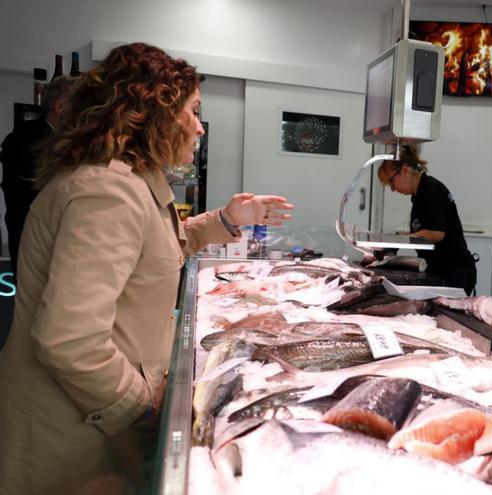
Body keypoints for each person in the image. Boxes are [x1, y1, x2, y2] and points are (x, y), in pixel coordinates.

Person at [0, 43, 293, 494]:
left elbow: (157, 246)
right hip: (69, 426)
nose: (199, 127)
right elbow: (69, 339)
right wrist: (146, 407)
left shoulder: (128, 179)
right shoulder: (108, 191)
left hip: (89, 414)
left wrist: (228, 219)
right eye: (193, 112)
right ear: (152, 112)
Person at [0, 75, 78, 273]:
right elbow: (38, 188)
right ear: (60, 107)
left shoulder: (67, 142)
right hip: (31, 240)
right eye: (78, 105)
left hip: (55, 241)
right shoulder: (22, 140)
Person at [376, 144, 477, 295]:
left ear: (405, 171)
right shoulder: (419, 195)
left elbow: (436, 233)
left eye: (392, 181)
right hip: (441, 270)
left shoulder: (430, 190)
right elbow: (423, 230)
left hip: (455, 273)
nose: (393, 188)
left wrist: (396, 241)